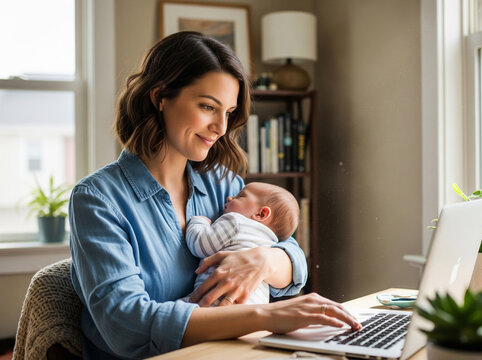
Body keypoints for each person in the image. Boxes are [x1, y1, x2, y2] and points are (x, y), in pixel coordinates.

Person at [69, 31, 361, 360]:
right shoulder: (97, 199)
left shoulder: (222, 184)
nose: (220, 128)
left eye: (229, 112)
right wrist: (265, 316)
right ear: (160, 96)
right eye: (208, 107)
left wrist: (263, 261)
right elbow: (126, 325)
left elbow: (291, 256)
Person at [185, 182, 300, 305]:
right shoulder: (272, 242)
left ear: (261, 214)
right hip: (251, 307)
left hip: (215, 301)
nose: (230, 197)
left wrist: (199, 222)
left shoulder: (235, 221)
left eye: (240, 196)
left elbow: (200, 245)